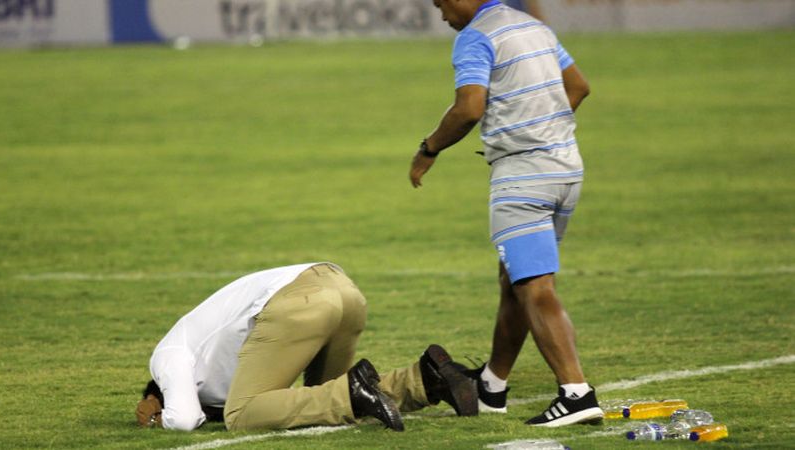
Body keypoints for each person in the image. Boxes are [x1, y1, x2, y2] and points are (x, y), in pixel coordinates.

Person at [408, 0, 603, 427]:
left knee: (534, 285)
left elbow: (469, 107)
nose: (442, 15)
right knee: (513, 276)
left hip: (524, 178)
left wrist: (429, 148)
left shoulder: (476, 36)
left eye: (441, 4)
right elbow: (579, 87)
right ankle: (492, 387)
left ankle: (576, 393)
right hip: (566, 170)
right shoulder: (533, 27)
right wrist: (541, 129)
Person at [135, 262, 478, 432]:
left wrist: (158, 414)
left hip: (300, 299)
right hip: (342, 291)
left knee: (239, 416)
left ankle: (359, 392)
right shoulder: (210, 367)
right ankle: (424, 380)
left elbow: (183, 419)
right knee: (325, 398)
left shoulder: (167, 357)